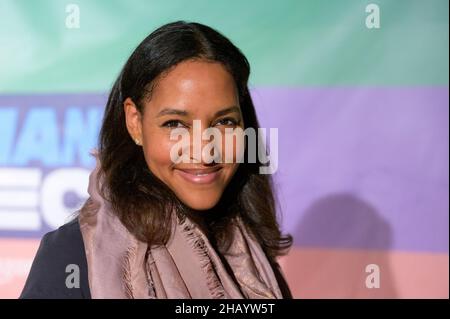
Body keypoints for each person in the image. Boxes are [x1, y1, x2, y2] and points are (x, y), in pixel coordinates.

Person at [20, 21, 292, 299]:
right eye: (175, 123)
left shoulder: (252, 254)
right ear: (135, 122)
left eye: (224, 121)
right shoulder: (72, 256)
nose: (205, 150)